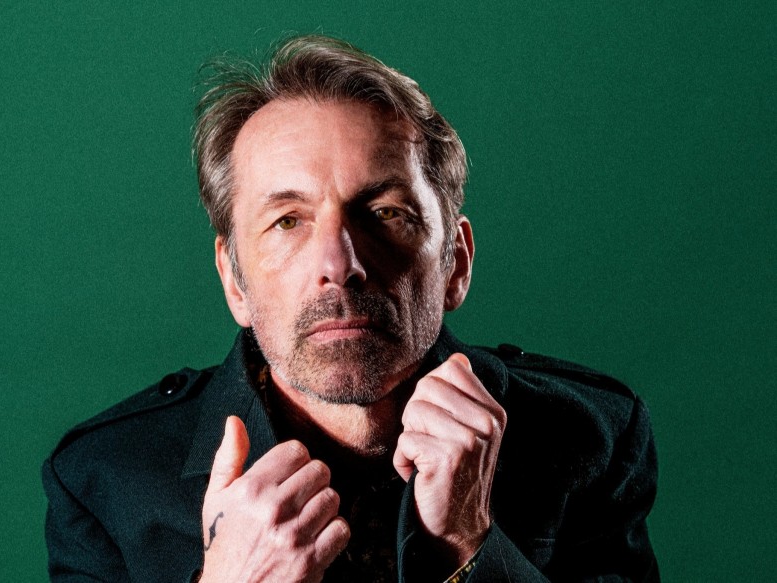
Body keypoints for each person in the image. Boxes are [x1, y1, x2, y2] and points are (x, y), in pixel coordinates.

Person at [42, 35, 659, 582]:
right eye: (288, 221)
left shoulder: (591, 439)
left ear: (456, 263)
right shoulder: (105, 478)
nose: (339, 264)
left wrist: (470, 548)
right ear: (234, 280)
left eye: (386, 213)